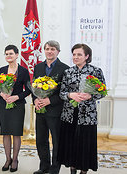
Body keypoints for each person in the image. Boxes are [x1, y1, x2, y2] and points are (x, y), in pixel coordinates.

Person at [58, 43, 106, 174]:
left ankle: (84, 171)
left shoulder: (96, 71)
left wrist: (90, 95)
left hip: (88, 115)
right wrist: (70, 95)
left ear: (87, 56)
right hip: (69, 114)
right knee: (71, 144)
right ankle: (72, 169)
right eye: (74, 54)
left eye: (79, 54)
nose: (75, 57)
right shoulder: (68, 72)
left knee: (85, 144)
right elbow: (62, 93)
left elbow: (103, 92)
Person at [32, 41, 69, 174]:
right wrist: (35, 100)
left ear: (58, 51)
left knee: (56, 141)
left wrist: (49, 101)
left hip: (55, 111)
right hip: (40, 111)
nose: (49, 51)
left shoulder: (65, 68)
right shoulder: (38, 67)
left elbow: (64, 93)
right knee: (41, 140)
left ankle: (55, 169)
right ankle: (44, 166)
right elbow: (33, 88)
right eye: (47, 49)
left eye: (52, 49)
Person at [0, 45, 31, 172]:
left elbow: (28, 90)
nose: (8, 56)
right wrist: (2, 94)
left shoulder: (23, 71)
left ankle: (15, 159)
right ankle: (7, 159)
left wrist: (16, 97)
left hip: (18, 104)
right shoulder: (2, 69)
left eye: (11, 53)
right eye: (6, 54)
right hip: (3, 104)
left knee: (16, 133)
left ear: (17, 55)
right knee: (5, 132)